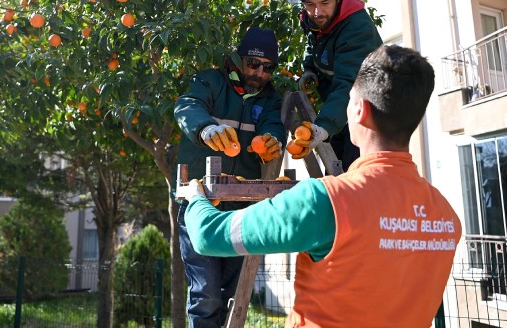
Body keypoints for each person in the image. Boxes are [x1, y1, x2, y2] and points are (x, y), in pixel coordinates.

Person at [183, 45, 462, 327]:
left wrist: (195, 197)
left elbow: (209, 235)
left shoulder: (326, 200)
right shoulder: (446, 218)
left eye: (349, 99)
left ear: (359, 110)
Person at [173, 26, 287, 328]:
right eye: (253, 63)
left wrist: (272, 141)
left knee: (233, 295)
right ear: (237, 59)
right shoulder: (209, 81)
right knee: (206, 294)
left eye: (268, 67)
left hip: (242, 210)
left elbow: (273, 125)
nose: (260, 72)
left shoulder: (270, 98)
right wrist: (206, 129)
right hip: (200, 204)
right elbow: (187, 106)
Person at [292, 0, 383, 171]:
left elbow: (350, 85)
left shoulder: (357, 27)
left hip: (368, 113)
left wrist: (323, 126)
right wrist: (309, 69)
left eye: (325, 2)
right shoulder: (313, 18)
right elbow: (312, 44)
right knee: (333, 175)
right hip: (339, 109)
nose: (317, 11)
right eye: (309, 4)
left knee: (355, 178)